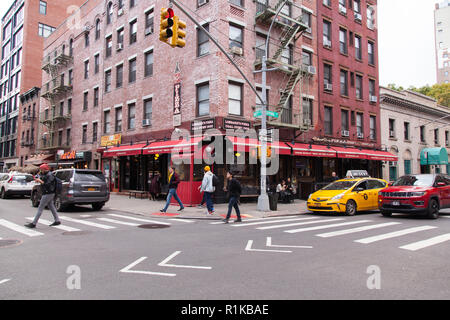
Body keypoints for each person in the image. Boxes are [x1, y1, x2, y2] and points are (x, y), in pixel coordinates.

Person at [24, 164, 61, 229]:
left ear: (44, 169)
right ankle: (57, 220)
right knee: (51, 206)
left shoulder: (50, 175)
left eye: (41, 169)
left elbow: (47, 184)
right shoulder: (47, 174)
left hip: (48, 193)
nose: (40, 171)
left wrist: (40, 181)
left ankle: (34, 223)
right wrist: (39, 179)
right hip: (49, 193)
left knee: (40, 207)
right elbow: (44, 180)